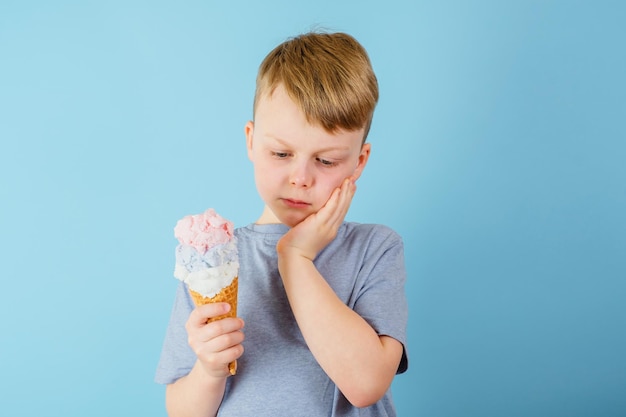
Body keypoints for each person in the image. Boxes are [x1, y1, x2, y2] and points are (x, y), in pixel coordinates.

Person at [155, 30, 409, 416]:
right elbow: (182, 411)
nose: (300, 177)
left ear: (359, 162)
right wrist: (209, 370)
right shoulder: (213, 261)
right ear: (251, 142)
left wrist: (296, 256)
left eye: (326, 161)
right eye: (281, 152)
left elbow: (365, 384)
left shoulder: (374, 249)